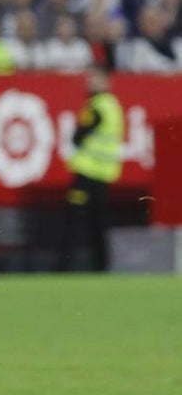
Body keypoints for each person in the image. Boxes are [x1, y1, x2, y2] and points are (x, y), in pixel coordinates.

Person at [61, 66, 124, 271]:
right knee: (98, 221)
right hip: (104, 173)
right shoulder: (113, 105)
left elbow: (79, 136)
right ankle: (102, 265)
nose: (90, 83)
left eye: (95, 79)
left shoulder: (97, 106)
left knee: (74, 218)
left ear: (106, 82)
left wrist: (77, 137)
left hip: (87, 172)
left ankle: (66, 264)